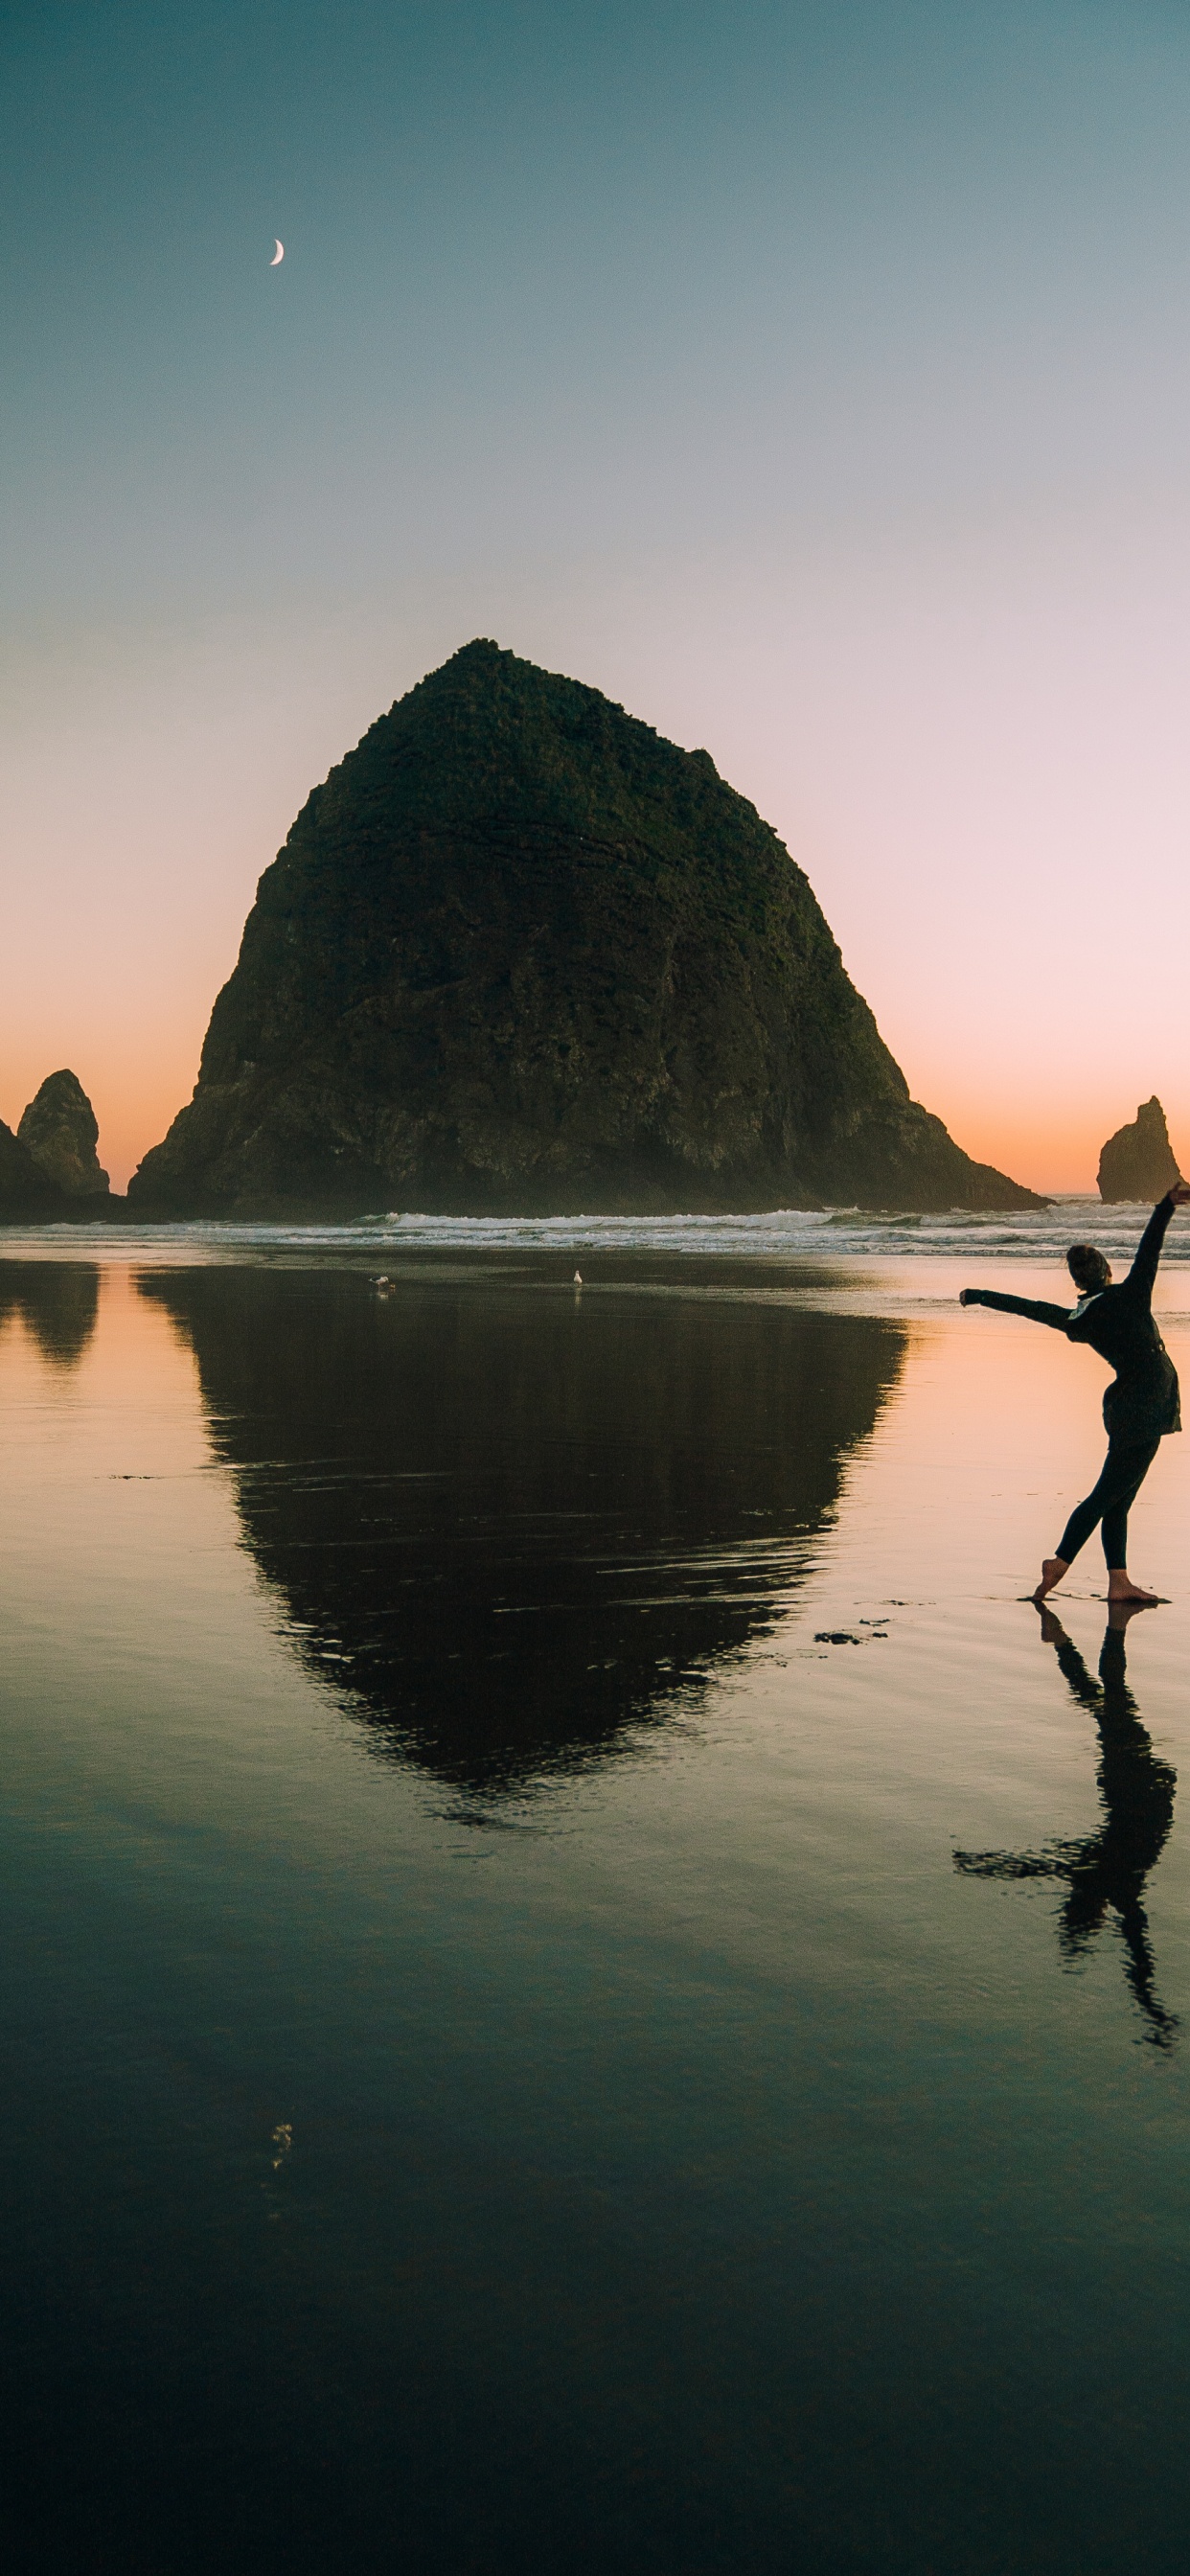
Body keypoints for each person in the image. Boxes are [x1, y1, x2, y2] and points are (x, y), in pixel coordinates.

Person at [955, 1602, 1179, 2049]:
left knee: (1105, 1699)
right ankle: (1068, 1638)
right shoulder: (1114, 1885)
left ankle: (1065, 1637)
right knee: (1105, 1698)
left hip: (1139, 1787)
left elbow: (1031, 1867)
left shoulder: (1100, 1881)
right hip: (1137, 1787)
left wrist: (983, 1865)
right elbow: (1138, 1955)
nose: (1076, 1898)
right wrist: (1150, 2006)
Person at [960, 1183, 1189, 1603]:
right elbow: (1149, 1248)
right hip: (1145, 1408)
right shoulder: (1131, 1295)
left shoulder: (1077, 1318)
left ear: (1079, 1279)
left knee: (1118, 1499)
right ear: (1106, 1270)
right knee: (1106, 1496)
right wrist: (1166, 1204)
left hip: (1129, 1409)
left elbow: (1029, 1307)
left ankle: (1119, 1582)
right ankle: (1060, 1561)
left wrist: (980, 1295)